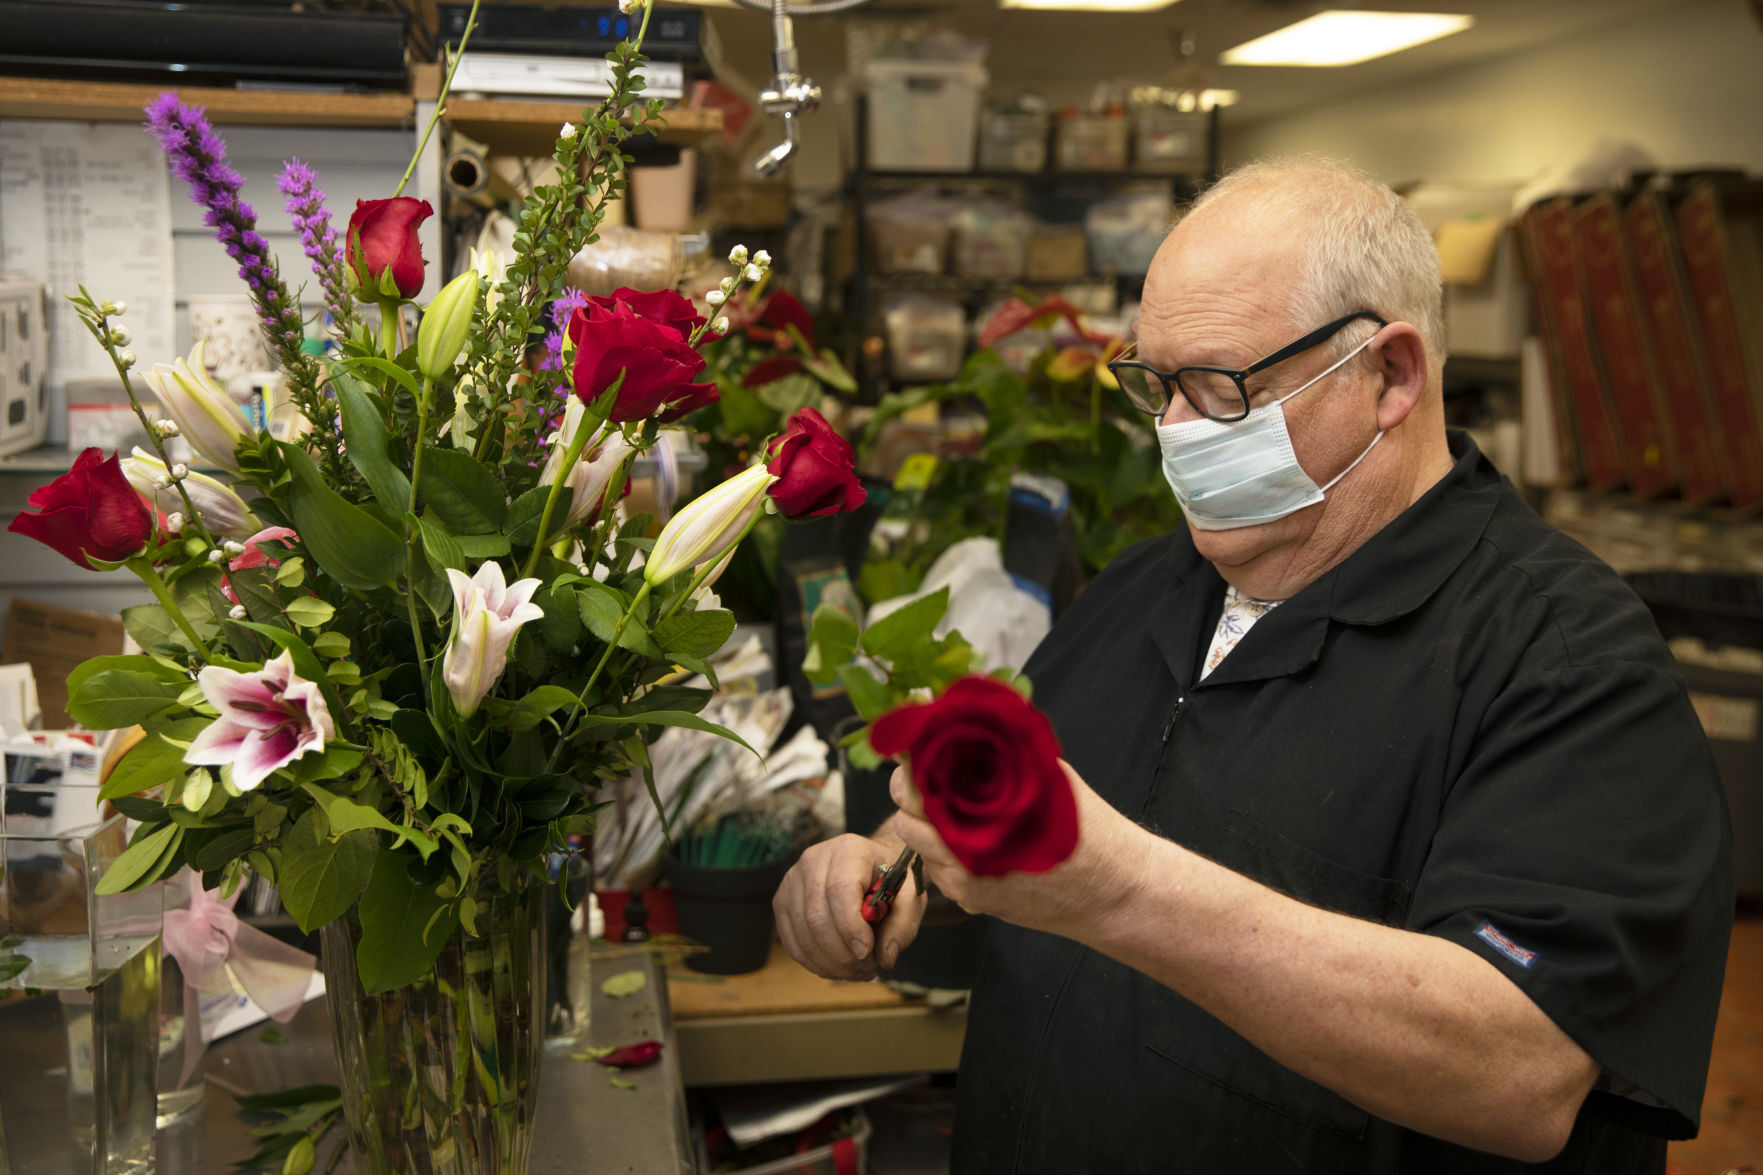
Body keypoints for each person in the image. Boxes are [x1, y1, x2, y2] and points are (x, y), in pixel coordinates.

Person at [773, 157, 1734, 1173]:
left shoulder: (1566, 664)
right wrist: (882, 866)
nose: (1176, 432)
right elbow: (1016, 851)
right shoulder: (1142, 589)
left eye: (1220, 387)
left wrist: (1119, 889)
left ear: (1389, 376)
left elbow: (1519, 1066)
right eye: (1154, 384)